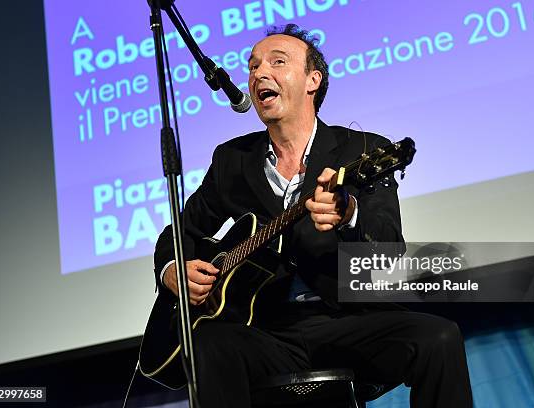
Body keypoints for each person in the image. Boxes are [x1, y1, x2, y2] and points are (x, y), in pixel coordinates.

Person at [153, 24, 472, 407]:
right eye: (253, 67)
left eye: (277, 62)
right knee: (207, 342)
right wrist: (172, 269)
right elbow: (180, 231)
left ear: (312, 80)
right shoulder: (231, 161)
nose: (258, 74)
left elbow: (388, 247)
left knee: (439, 339)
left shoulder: (364, 149)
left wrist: (349, 214)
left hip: (346, 323)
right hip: (265, 332)